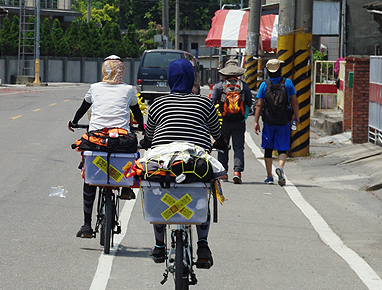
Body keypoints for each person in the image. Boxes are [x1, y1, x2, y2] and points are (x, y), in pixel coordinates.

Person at [142, 58, 221, 266]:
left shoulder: (158, 103)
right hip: (196, 162)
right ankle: (202, 244)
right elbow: (217, 132)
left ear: (169, 79)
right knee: (202, 191)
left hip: (163, 163)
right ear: (192, 79)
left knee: (157, 193)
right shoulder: (204, 102)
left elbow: (149, 135)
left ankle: (159, 246)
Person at [68, 55, 145, 239]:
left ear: (104, 70)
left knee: (89, 177)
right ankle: (126, 187)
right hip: (122, 140)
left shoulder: (94, 88)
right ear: (122, 70)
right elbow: (136, 113)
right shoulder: (128, 90)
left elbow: (82, 107)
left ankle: (87, 225)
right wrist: (141, 127)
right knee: (133, 148)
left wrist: (74, 122)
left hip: (96, 139)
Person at [253, 58, 300, 186]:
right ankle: (280, 168)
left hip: (268, 121)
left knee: (268, 148)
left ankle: (269, 176)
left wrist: (256, 121)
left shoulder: (264, 85)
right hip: (283, 120)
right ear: (280, 70)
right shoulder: (287, 83)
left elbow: (259, 104)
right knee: (283, 148)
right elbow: (294, 101)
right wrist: (296, 115)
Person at [210, 59, 254, 184]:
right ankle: (237, 171)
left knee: (223, 146)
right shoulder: (243, 86)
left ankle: (223, 173)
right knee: (238, 147)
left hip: (223, 121)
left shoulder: (219, 86)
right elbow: (249, 103)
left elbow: (212, 103)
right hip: (239, 121)